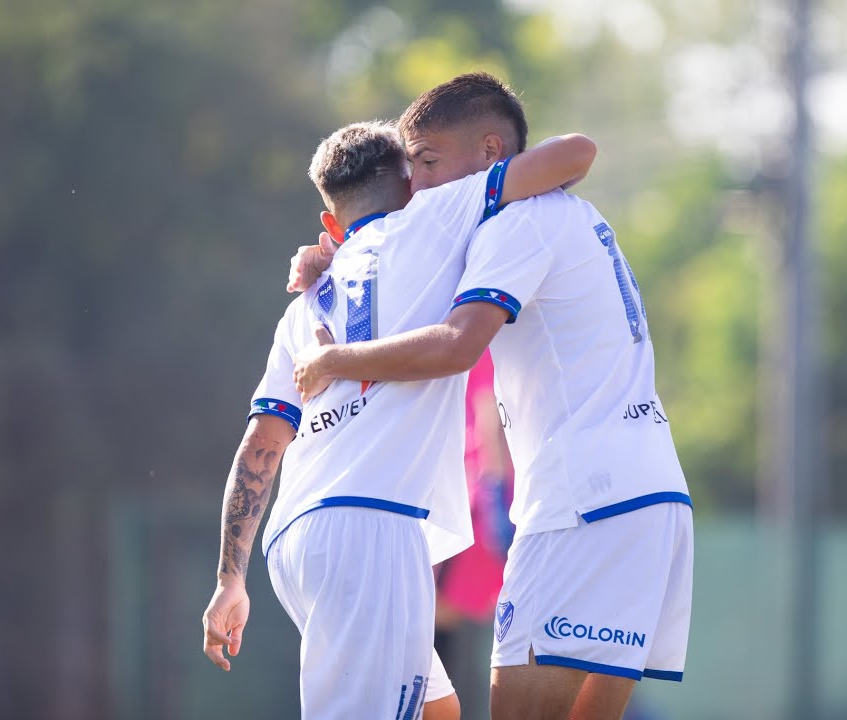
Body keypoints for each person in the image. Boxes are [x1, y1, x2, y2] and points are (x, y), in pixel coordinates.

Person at [289, 71, 693, 720]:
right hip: (655, 498)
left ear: (488, 154)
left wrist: (332, 358)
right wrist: (326, 255)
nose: (413, 184)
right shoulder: (575, 215)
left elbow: (455, 345)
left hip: (580, 500)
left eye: (425, 161)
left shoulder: (516, 222)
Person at [200, 119, 596, 720]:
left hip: (294, 540)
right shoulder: (432, 217)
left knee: (437, 712)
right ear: (411, 185)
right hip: (369, 529)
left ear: (331, 224)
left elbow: (262, 443)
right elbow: (572, 155)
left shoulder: (302, 310)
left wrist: (230, 577)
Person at [432, 350, 513, 701]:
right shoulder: (492, 339)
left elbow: (488, 414)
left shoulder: (483, 339)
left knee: (438, 617)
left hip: (478, 500)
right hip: (479, 498)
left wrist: (495, 492)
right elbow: (487, 412)